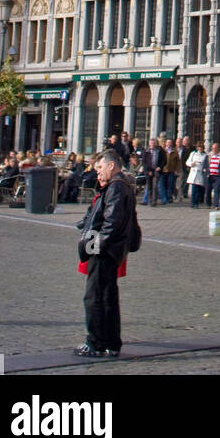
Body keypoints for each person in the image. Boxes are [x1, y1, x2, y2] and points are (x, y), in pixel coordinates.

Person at [75, 150, 135, 358]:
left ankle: (96, 342)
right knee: (108, 295)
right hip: (112, 249)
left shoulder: (116, 187)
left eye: (100, 168)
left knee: (94, 296)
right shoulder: (118, 186)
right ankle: (111, 341)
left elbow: (112, 222)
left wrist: (96, 245)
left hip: (104, 249)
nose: (98, 173)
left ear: (111, 166)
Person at [142, 138, 165, 206]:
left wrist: (160, 167)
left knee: (155, 186)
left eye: (153, 143)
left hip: (156, 170)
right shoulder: (146, 151)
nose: (152, 144)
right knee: (149, 186)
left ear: (156, 143)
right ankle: (149, 200)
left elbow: (164, 160)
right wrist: (148, 171)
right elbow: (144, 162)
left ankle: (154, 201)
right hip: (148, 171)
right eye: (151, 143)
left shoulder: (160, 150)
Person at [205, 144, 220, 209]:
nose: (214, 150)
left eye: (215, 148)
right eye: (213, 148)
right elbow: (205, 164)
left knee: (217, 191)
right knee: (208, 190)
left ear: (218, 149)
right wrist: (206, 172)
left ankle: (216, 205)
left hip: (218, 176)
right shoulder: (208, 156)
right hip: (209, 175)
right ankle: (208, 204)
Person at [178, 135, 192, 201]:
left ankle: (185, 192)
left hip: (189, 166)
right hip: (182, 166)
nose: (184, 142)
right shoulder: (182, 149)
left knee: (187, 180)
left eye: (186, 140)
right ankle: (180, 193)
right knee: (182, 181)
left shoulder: (191, 148)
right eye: (183, 141)